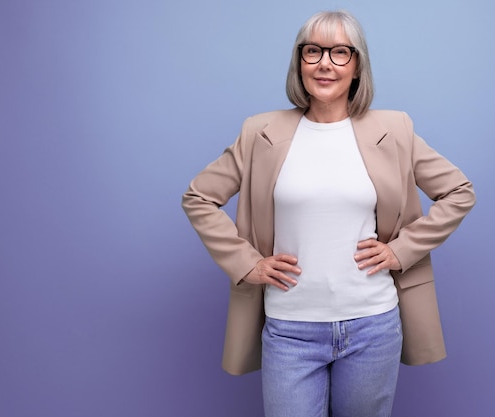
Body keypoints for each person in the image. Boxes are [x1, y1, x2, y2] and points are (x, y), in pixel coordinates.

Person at [182, 10, 475, 417]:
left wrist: (400, 250)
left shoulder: (394, 129)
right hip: (290, 329)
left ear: (357, 66)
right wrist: (247, 263)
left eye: (340, 52)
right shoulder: (260, 133)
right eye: (313, 51)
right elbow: (199, 197)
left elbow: (459, 191)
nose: (324, 63)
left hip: (372, 325)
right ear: (299, 61)